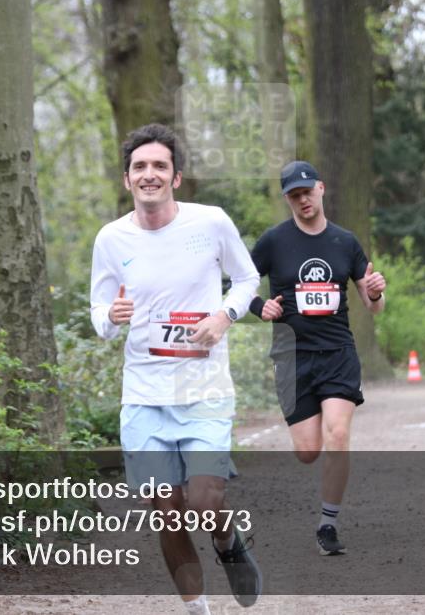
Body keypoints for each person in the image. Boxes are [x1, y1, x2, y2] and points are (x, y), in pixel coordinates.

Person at [89, 123, 262, 614]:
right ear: (127, 180)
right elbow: (99, 313)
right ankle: (197, 609)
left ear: (176, 177)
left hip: (204, 389)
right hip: (143, 396)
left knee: (205, 501)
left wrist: (223, 316)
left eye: (159, 166)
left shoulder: (210, 223)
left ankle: (229, 543)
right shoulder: (111, 238)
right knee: (167, 514)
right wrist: (111, 318)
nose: (149, 174)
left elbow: (247, 279)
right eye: (139, 167)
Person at [248, 161, 386, 556]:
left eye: (307, 191)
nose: (303, 199)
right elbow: (235, 284)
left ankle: (328, 524)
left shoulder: (345, 242)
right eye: (294, 195)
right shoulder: (273, 242)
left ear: (321, 189)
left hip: (338, 353)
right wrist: (261, 306)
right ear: (287, 199)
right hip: (292, 358)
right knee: (307, 450)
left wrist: (375, 292)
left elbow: (372, 305)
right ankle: (318, 439)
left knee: (338, 435)